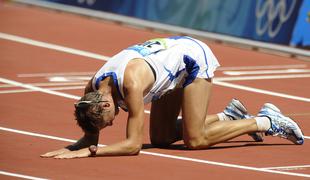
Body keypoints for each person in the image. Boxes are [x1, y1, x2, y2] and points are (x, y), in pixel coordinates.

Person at [41, 36, 304, 159]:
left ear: (108, 104)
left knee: (195, 140)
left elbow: (133, 146)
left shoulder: (130, 86)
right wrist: (74, 147)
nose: (110, 125)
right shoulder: (92, 91)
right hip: (167, 70)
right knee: (162, 138)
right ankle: (229, 116)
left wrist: (93, 152)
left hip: (190, 61)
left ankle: (266, 121)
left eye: (107, 121)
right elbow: (90, 136)